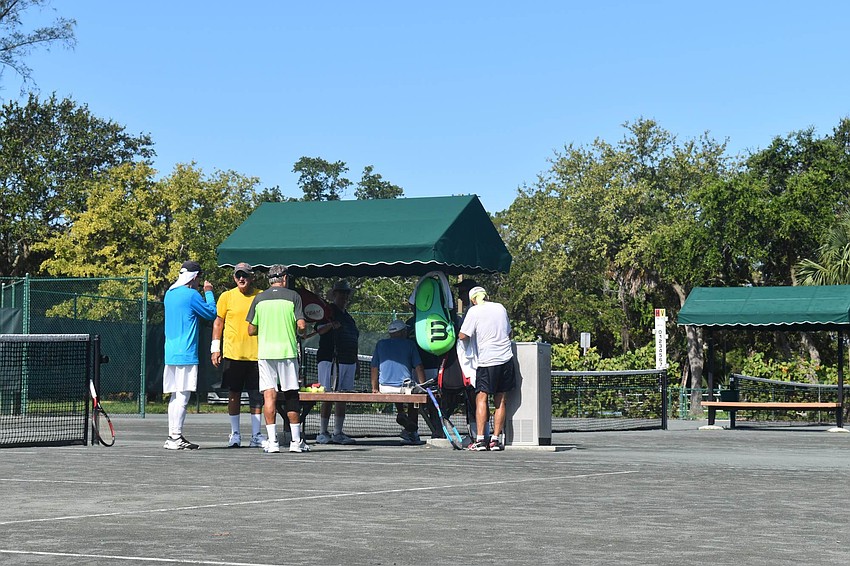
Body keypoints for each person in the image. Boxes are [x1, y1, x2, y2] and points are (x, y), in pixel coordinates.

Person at [246, 264, 309, 454]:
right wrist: (300, 332)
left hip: (266, 354)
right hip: (287, 352)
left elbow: (250, 329)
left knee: (269, 395)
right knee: (291, 395)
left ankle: (273, 442)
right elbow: (302, 325)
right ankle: (296, 442)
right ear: (285, 278)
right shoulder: (293, 296)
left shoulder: (259, 298)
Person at [162, 260, 216, 450]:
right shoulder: (192, 295)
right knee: (183, 397)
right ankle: (175, 437)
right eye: (199, 278)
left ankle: (172, 436)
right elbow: (211, 313)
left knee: (175, 396)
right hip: (186, 353)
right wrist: (209, 292)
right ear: (194, 277)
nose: (200, 282)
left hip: (170, 353)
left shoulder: (169, 293)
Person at [211, 262, 265, 448]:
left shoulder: (261, 296)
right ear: (234, 277)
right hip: (233, 355)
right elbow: (218, 322)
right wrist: (215, 348)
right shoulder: (226, 297)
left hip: (256, 354)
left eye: (245, 275)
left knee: (256, 395)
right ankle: (235, 434)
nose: (241, 278)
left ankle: (256, 435)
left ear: (252, 277)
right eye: (238, 275)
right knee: (233, 394)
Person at [458, 286, 515, 452]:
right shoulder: (500, 308)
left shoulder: (474, 311)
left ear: (473, 300)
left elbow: (463, 335)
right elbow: (509, 333)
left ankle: (481, 440)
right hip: (506, 359)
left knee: (481, 398)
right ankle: (495, 440)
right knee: (500, 400)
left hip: (487, 361)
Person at [313, 280, 359, 445]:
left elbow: (354, 341)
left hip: (348, 360)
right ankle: (322, 432)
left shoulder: (349, 318)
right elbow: (318, 329)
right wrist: (331, 325)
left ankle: (338, 432)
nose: (344, 296)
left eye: (346, 293)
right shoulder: (328, 312)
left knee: (342, 396)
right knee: (328, 395)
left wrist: (356, 363)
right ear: (334, 294)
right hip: (330, 360)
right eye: (341, 293)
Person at [370, 319, 426, 445]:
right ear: (402, 332)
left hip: (384, 387)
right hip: (404, 388)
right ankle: (412, 432)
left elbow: (374, 367)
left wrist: (374, 388)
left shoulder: (380, 344)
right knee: (413, 398)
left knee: (396, 389)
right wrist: (423, 387)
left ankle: (401, 412)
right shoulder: (410, 344)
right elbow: (419, 367)